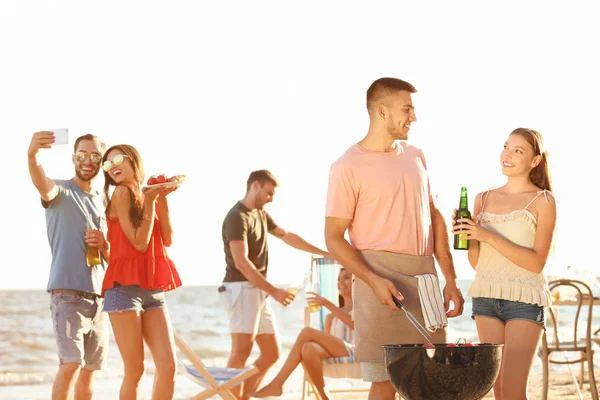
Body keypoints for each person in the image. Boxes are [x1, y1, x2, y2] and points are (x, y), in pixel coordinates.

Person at [324, 77, 465, 400]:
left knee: (433, 380)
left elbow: (435, 216)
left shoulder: (415, 155)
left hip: (424, 279)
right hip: (380, 283)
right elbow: (333, 237)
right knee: (385, 381)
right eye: (407, 109)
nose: (413, 118)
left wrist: (451, 279)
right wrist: (372, 280)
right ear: (382, 111)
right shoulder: (346, 166)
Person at [452, 128, 556, 400]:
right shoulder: (482, 198)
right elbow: (477, 264)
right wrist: (470, 235)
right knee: (497, 391)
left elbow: (536, 263)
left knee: (512, 391)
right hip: (485, 298)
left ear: (535, 161)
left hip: (524, 300)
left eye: (518, 151)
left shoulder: (543, 201)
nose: (507, 155)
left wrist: (487, 235)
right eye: (506, 147)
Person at [220, 169, 330, 400]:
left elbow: (288, 236)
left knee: (271, 353)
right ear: (256, 185)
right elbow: (241, 262)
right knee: (240, 353)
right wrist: (275, 291)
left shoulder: (260, 214)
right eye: (269, 193)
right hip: (240, 288)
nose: (271, 198)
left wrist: (324, 253)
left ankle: (244, 396)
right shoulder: (236, 217)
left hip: (257, 291)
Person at [27, 131, 110, 400]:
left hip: (100, 297)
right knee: (71, 364)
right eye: (82, 154)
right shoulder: (59, 190)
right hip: (67, 294)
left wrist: (104, 244)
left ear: (102, 161)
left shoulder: (103, 200)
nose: (88, 160)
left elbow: (112, 255)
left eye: (95, 155)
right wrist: (32, 154)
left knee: (89, 370)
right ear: (74, 157)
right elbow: (42, 182)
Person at [100, 144, 183, 400]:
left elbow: (167, 238)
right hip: (123, 289)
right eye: (106, 164)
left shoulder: (144, 194)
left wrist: (162, 199)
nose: (111, 166)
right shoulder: (122, 193)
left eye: (116, 159)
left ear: (133, 160)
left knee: (168, 368)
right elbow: (139, 242)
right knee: (135, 370)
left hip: (153, 290)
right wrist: (150, 200)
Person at [251, 267, 354, 400]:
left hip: (356, 351)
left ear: (356, 281)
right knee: (307, 348)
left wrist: (327, 304)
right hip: (338, 351)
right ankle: (324, 397)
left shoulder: (360, 308)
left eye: (346, 278)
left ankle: (277, 383)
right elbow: (327, 344)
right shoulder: (331, 317)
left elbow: (355, 325)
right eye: (338, 279)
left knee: (307, 332)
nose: (340, 282)